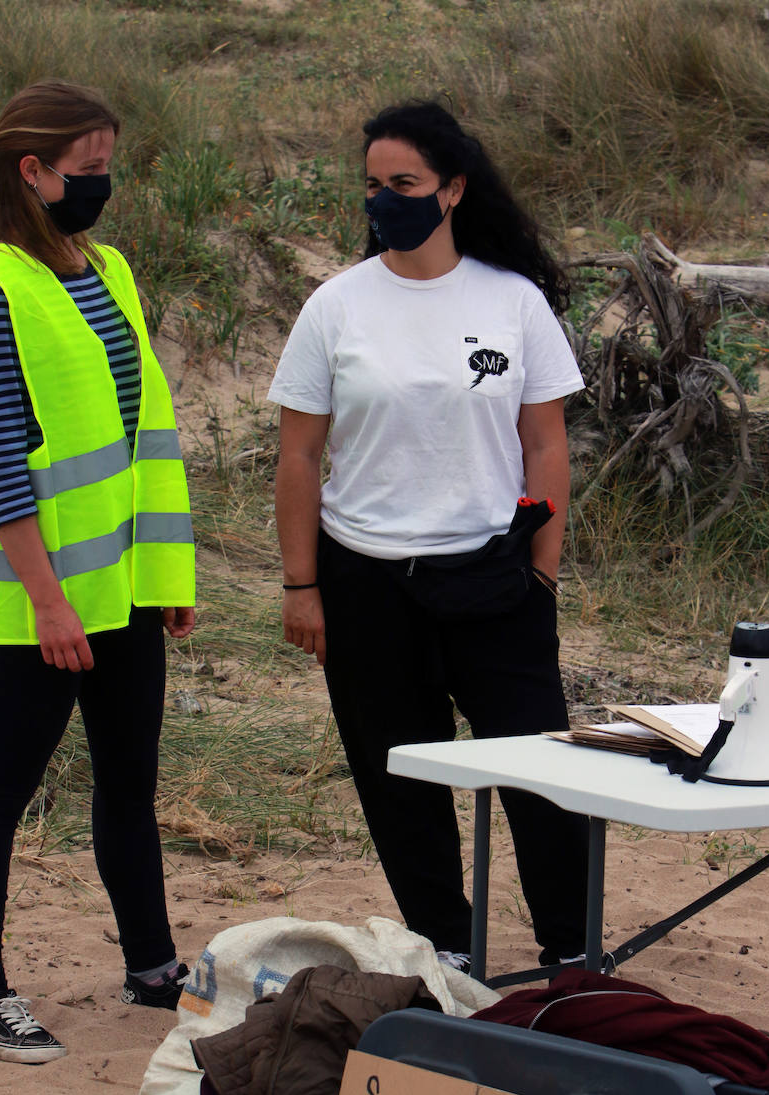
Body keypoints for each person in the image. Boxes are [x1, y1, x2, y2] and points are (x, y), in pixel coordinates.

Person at [268, 100, 589, 976]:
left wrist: (542, 571)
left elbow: (546, 442)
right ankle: (445, 948)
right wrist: (303, 586)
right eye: (372, 185)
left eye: (402, 184)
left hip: (495, 577)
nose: (383, 200)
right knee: (399, 781)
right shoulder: (336, 306)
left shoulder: (511, 299)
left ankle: (572, 951)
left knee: (545, 777)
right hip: (367, 580)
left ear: (450, 190)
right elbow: (299, 454)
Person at [0, 79, 196, 1062]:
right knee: (2, 786)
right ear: (31, 173)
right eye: (86, 172)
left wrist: (165, 574)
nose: (102, 185)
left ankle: (154, 967)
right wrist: (46, 602)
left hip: (123, 591)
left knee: (130, 782)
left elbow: (133, 440)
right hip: (46, 603)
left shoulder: (109, 272)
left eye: (107, 168)